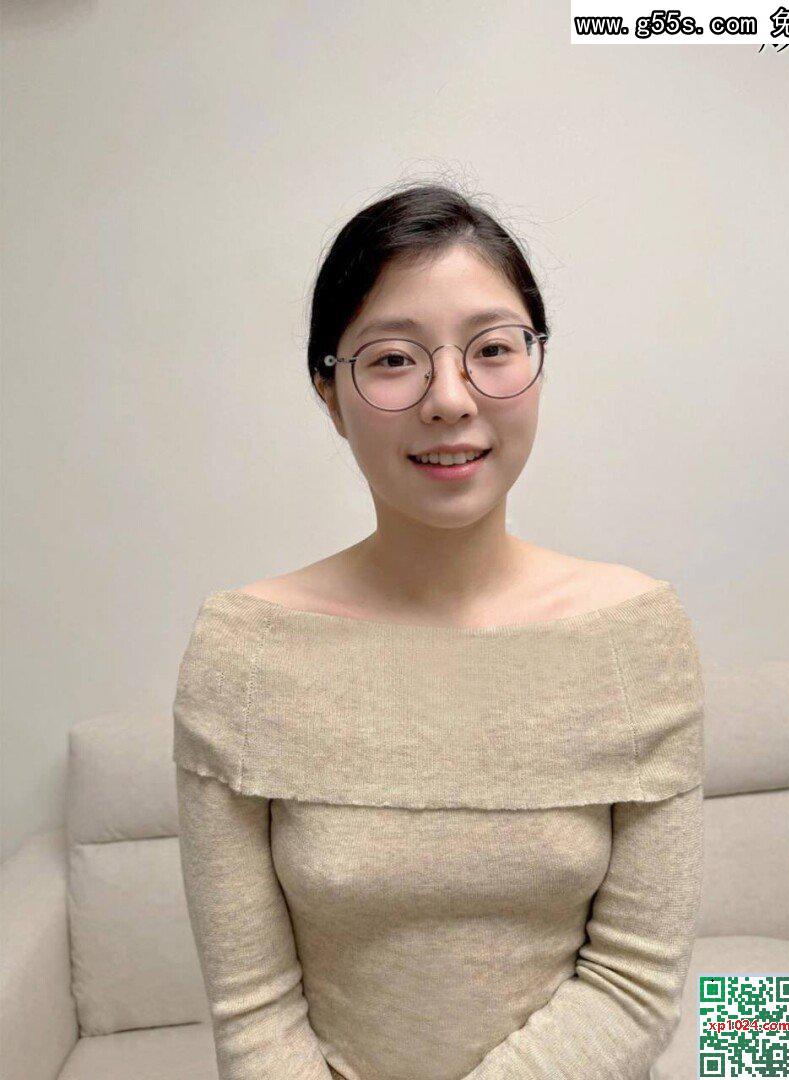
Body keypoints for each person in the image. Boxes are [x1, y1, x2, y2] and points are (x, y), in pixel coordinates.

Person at [172, 182, 705, 1080]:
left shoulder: (635, 639)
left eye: (492, 349)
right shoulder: (244, 657)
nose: (450, 399)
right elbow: (252, 1012)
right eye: (393, 360)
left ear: (536, 366)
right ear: (329, 393)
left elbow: (636, 983)